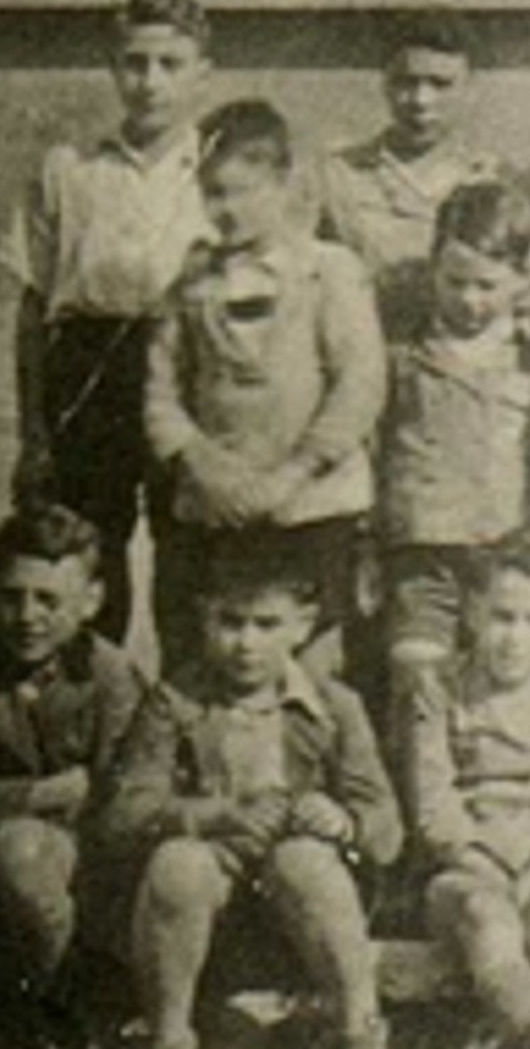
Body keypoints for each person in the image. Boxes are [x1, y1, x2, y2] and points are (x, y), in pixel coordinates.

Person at [99, 552, 402, 1049]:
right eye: (230, 623)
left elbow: (386, 829)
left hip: (306, 889)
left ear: (302, 627)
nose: (246, 643)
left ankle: (357, 1026)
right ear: (204, 617)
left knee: (302, 858)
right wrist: (218, 814)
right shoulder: (175, 701)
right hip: (211, 886)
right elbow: (125, 811)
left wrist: (343, 821)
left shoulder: (334, 706)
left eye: (267, 625)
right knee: (178, 864)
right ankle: (169, 1033)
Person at [0, 0, 215, 643]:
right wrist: (33, 431)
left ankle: (181, 727)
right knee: (92, 556)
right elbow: (35, 309)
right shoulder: (69, 170)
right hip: (88, 369)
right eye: (134, 62)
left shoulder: (218, 171)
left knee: (187, 555)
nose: (150, 82)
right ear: (112, 67)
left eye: (170, 64)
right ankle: (95, 724)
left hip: (187, 366)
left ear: (202, 72)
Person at [143, 100, 388, 666]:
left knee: (311, 665)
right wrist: (204, 468)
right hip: (218, 505)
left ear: (282, 183)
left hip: (311, 507)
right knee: (216, 657)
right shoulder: (193, 282)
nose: (225, 210)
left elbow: (358, 386)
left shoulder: (328, 271)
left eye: (242, 191)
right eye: (212, 193)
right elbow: (161, 391)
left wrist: (290, 477)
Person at [0, 506, 148, 1049]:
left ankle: (60, 1007)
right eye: (10, 596)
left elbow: (118, 798)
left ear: (90, 601)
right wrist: (42, 792)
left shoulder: (109, 675)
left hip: (74, 858)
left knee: (20, 846)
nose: (26, 616)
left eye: (48, 599)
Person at [405, 537, 530, 1049]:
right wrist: (483, 865)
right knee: (484, 914)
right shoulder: (441, 686)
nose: (515, 637)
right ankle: (527, 1029)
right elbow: (434, 801)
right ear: (472, 613)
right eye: (502, 616)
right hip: (466, 867)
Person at [377, 182, 530, 698]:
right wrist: (366, 547)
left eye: (487, 286)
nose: (469, 300)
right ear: (433, 269)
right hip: (421, 552)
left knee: (498, 684)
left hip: (502, 552)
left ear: (521, 279)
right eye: (455, 282)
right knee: (418, 680)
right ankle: (420, 779)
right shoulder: (403, 353)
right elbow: (374, 447)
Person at [315, 11, 505, 342]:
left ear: (469, 88)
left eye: (440, 84)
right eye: (406, 82)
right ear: (384, 83)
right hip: (366, 359)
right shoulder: (336, 176)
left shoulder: (493, 178)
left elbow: (527, 281)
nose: (420, 100)